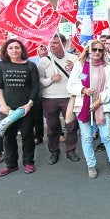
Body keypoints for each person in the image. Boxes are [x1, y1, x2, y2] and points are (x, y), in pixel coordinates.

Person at [66, 40, 110, 178]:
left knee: (106, 135)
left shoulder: (107, 67)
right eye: (94, 49)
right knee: (87, 137)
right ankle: (91, 165)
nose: (97, 52)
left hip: (102, 105)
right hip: (83, 106)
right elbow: (70, 85)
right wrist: (83, 89)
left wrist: (99, 100)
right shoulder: (80, 64)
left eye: (100, 50)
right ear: (89, 50)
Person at [0, 39, 40, 177]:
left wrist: (29, 104)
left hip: (26, 108)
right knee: (9, 137)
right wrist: (3, 105)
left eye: (17, 47)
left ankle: (28, 162)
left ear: (22, 50)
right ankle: (11, 165)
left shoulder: (30, 66)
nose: (14, 50)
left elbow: (35, 86)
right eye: (11, 48)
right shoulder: (1, 65)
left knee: (27, 135)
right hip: (7, 108)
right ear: (6, 51)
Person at [37, 34, 80, 165]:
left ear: (64, 43)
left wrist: (75, 69)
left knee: (71, 126)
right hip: (50, 99)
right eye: (51, 43)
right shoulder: (44, 61)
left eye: (55, 43)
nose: (52, 45)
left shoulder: (74, 58)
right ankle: (54, 152)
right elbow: (39, 81)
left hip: (69, 98)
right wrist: (51, 79)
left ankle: (71, 151)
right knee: (52, 127)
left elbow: (82, 78)